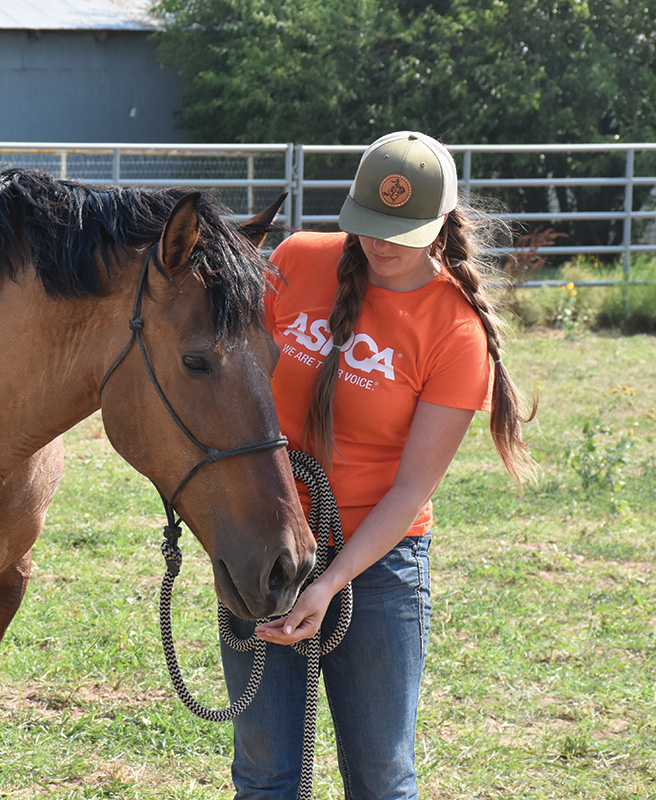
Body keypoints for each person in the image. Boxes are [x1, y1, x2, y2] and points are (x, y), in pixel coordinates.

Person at [221, 131, 535, 800]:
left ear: (442, 224)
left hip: (378, 565)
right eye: (369, 227)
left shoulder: (454, 333)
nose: (381, 244)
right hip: (268, 547)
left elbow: (411, 489)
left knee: (380, 775)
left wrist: (329, 583)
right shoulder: (300, 260)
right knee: (264, 771)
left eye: (403, 231)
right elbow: (230, 387)